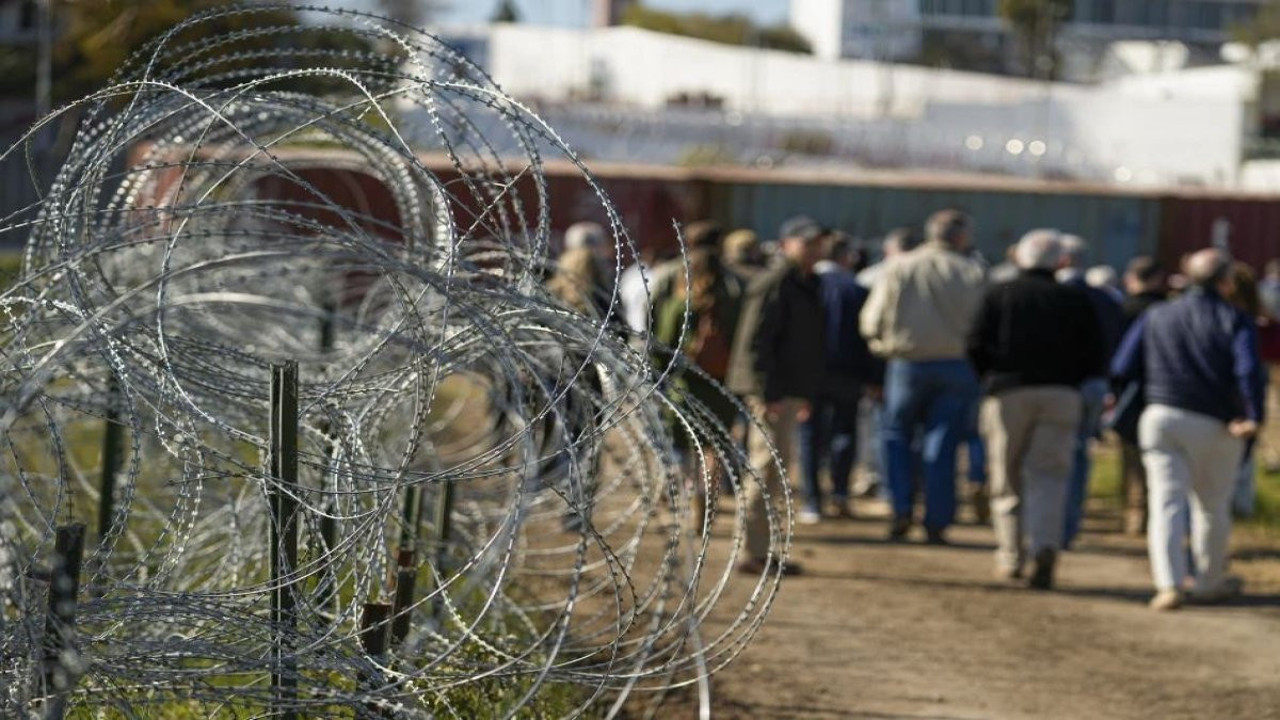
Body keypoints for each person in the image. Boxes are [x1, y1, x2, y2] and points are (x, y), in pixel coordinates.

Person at [1111, 248, 1265, 611]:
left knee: (1166, 502)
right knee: (1211, 506)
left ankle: (1169, 583)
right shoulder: (1235, 319)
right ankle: (1209, 581)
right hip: (1215, 423)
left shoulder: (1156, 315)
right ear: (1227, 282)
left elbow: (1121, 367)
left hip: (1161, 417)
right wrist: (1253, 415)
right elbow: (1247, 371)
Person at [966, 230, 1103, 589]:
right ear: (1061, 261)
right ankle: (1045, 545)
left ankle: (1011, 554)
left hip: (1008, 393)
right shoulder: (1075, 300)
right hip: (1061, 394)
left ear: (1018, 258)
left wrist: (990, 378)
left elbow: (975, 343)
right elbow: (1096, 354)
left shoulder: (1000, 294)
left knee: (1006, 476)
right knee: (1050, 477)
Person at [859, 209, 986, 544]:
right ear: (961, 236)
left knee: (896, 435)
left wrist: (880, 344)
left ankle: (900, 506)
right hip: (957, 366)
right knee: (943, 443)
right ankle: (937, 518)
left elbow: (872, 318)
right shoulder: (972, 271)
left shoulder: (900, 266)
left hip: (908, 363)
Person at [726, 216, 828, 575]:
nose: (815, 250)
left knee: (776, 470)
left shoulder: (806, 283)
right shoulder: (777, 283)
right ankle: (749, 551)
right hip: (773, 393)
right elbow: (756, 341)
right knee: (764, 467)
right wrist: (768, 391)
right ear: (786, 245)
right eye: (807, 243)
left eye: (818, 243)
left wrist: (806, 391)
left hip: (789, 390)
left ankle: (761, 549)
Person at [653, 246, 744, 535]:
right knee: (713, 451)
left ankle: (687, 497)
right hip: (721, 385)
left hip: (685, 385)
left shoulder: (680, 303)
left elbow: (663, 344)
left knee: (683, 447)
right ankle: (707, 502)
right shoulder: (733, 303)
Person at [797, 232, 881, 523]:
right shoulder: (857, 289)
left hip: (810, 373)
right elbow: (868, 337)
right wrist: (874, 377)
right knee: (844, 432)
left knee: (810, 435)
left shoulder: (808, 286)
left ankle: (812, 500)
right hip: (849, 373)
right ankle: (841, 493)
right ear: (846, 257)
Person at [1056, 235, 1123, 549]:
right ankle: (1069, 525)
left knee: (1046, 456)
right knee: (1080, 453)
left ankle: (1044, 526)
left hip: (1057, 386)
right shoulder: (1107, 299)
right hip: (1094, 385)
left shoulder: (1054, 295)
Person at [1117, 256, 1167, 536]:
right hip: (1162, 391)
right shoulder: (1166, 309)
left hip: (1129, 392)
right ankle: (1149, 512)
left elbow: (1119, 361)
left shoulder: (1122, 309)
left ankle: (1134, 512)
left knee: (1132, 454)